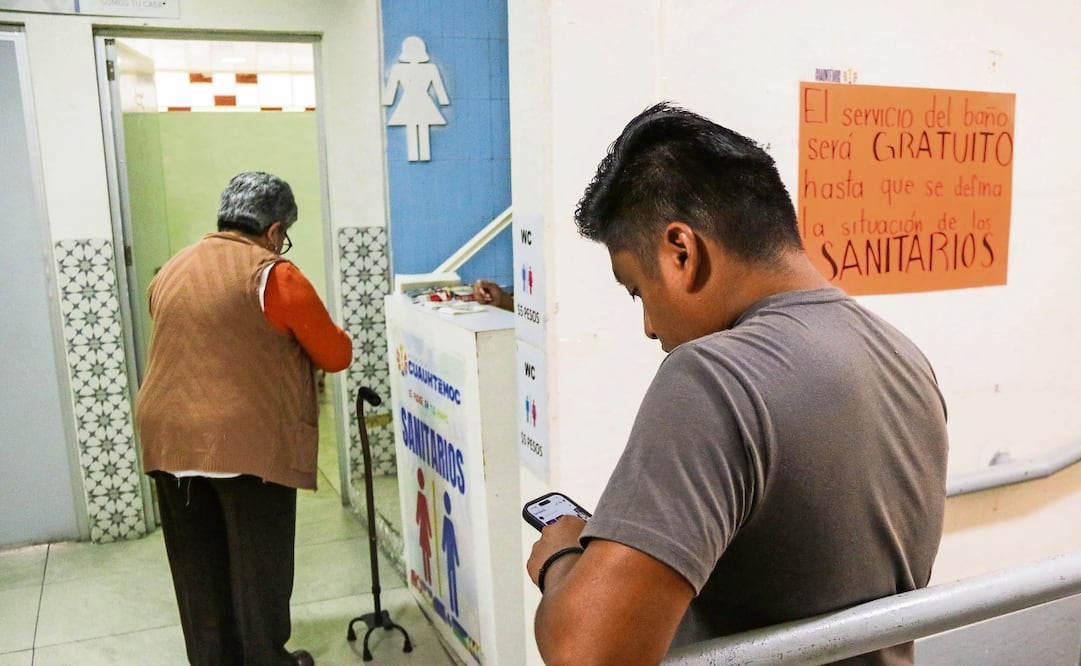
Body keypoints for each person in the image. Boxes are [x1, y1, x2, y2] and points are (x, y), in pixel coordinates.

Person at [525, 103, 949, 665]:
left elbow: (589, 653)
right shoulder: (902, 355)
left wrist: (561, 559)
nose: (649, 325)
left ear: (682, 251)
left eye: (637, 292)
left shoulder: (713, 376)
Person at [135, 171, 352, 666]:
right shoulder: (275, 274)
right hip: (243, 442)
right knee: (259, 565)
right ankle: (265, 659)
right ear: (274, 230)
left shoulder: (172, 266)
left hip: (167, 440)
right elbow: (335, 354)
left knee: (196, 564)